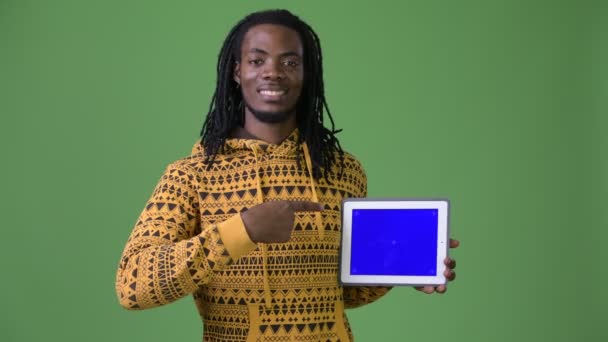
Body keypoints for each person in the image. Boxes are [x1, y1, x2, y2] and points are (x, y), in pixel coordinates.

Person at [115, 9, 459, 341]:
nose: (274, 72)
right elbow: (133, 285)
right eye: (257, 60)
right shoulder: (192, 175)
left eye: (290, 62)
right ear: (237, 72)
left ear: (306, 74)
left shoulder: (342, 171)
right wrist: (244, 230)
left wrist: (406, 266)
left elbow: (344, 294)